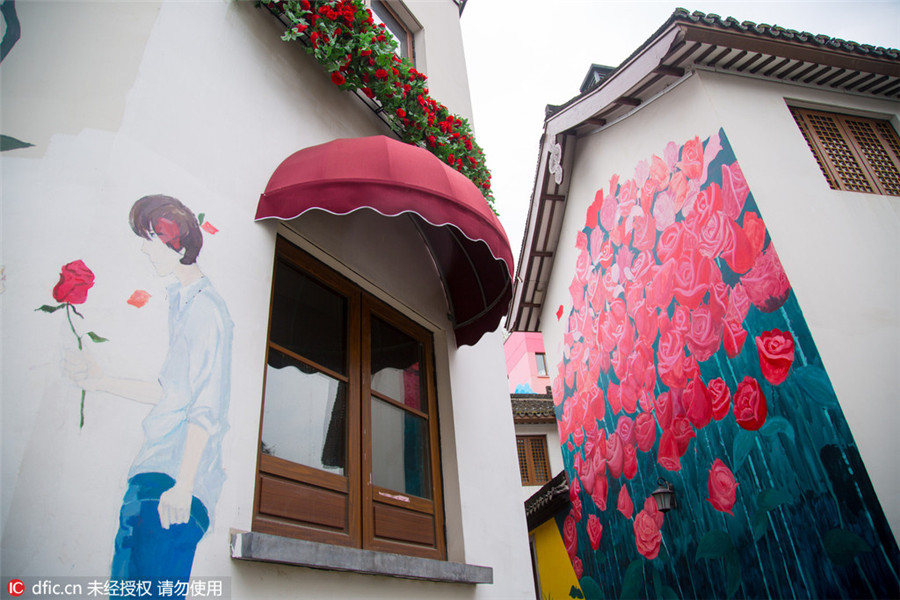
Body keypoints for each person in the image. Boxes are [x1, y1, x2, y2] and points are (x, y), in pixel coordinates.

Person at [67, 195, 232, 598]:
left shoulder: (206, 310)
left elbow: (205, 405)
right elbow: (173, 394)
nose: (144, 247)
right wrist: (102, 381)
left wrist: (184, 483)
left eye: (151, 238)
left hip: (170, 486)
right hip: (153, 480)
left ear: (176, 244)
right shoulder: (182, 301)